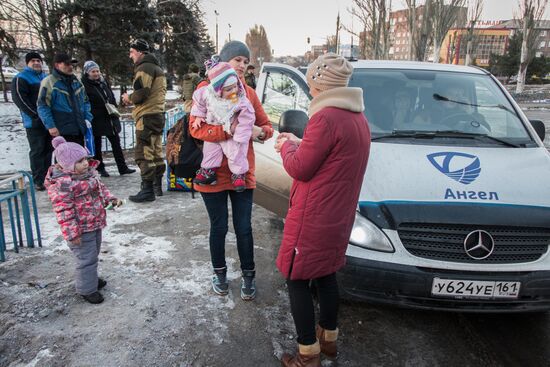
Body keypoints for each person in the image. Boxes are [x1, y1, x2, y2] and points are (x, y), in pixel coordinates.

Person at [274, 53, 371, 366]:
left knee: (296, 277)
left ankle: (307, 354)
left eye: (311, 82)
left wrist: (287, 146)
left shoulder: (326, 117)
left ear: (319, 84)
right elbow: (331, 157)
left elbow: (301, 168)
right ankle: (328, 341)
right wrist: (300, 140)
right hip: (337, 217)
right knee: (326, 274)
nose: (310, 90)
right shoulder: (356, 117)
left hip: (313, 218)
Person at [190, 40, 274, 300]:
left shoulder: (248, 92)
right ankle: (220, 274)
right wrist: (229, 130)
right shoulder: (205, 89)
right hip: (212, 174)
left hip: (242, 173)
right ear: (224, 62)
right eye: (238, 60)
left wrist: (259, 132)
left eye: (246, 62)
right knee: (219, 227)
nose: (242, 65)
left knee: (244, 228)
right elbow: (195, 128)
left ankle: (249, 276)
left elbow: (266, 126)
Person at [45, 136, 122, 304]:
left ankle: (90, 279)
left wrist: (111, 199)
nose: (85, 163)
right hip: (80, 229)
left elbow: (102, 190)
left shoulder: (89, 175)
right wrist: (72, 233)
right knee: (86, 259)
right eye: (79, 161)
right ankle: (87, 289)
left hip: (94, 223)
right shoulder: (64, 185)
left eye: (85, 159)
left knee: (92, 255)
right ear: (66, 165)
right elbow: (64, 211)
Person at [191, 61, 255, 192]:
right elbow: (199, 103)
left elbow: (248, 116)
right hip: (213, 129)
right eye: (228, 89)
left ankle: (238, 175)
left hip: (232, 135)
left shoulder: (238, 99)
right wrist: (198, 116)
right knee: (209, 151)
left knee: (235, 153)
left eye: (235, 86)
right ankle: (208, 171)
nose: (234, 91)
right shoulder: (207, 93)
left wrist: (241, 135)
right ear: (217, 90)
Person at [122, 39, 167, 203]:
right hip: (157, 113)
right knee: (155, 151)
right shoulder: (157, 68)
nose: (130, 55)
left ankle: (147, 190)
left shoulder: (144, 67)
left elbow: (141, 93)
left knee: (144, 152)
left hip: (146, 115)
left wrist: (128, 97)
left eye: (132, 52)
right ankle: (157, 186)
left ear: (139, 52)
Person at [81, 60, 136, 178]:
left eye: (97, 71)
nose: (96, 74)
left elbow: (109, 95)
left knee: (116, 143)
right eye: (93, 71)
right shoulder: (84, 85)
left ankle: (122, 167)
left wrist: (113, 106)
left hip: (109, 116)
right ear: (87, 73)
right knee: (97, 144)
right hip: (96, 117)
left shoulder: (103, 82)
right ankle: (100, 168)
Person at [11, 52, 50, 191]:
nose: (36, 63)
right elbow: (20, 100)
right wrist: (35, 115)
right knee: (38, 150)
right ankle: (39, 180)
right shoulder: (21, 78)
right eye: (33, 60)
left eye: (38, 60)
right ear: (28, 63)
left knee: (48, 150)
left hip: (48, 121)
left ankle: (48, 177)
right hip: (34, 122)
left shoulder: (45, 77)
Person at [37, 52, 93, 146]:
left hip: (79, 128)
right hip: (62, 131)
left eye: (71, 64)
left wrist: (87, 118)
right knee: (65, 159)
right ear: (57, 65)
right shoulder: (49, 82)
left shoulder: (77, 81)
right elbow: (43, 106)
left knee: (79, 159)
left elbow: (86, 101)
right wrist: (51, 126)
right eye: (67, 64)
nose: (70, 66)